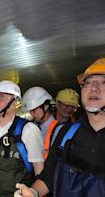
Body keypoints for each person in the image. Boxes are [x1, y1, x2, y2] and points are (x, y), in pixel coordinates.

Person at [15, 57, 105, 197]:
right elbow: (49, 176)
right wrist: (33, 192)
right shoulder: (67, 133)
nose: (94, 88)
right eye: (87, 83)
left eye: (103, 82)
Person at [22, 87, 62, 160]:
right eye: (30, 111)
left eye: (34, 110)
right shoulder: (30, 127)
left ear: (46, 106)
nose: (32, 114)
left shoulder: (60, 129)